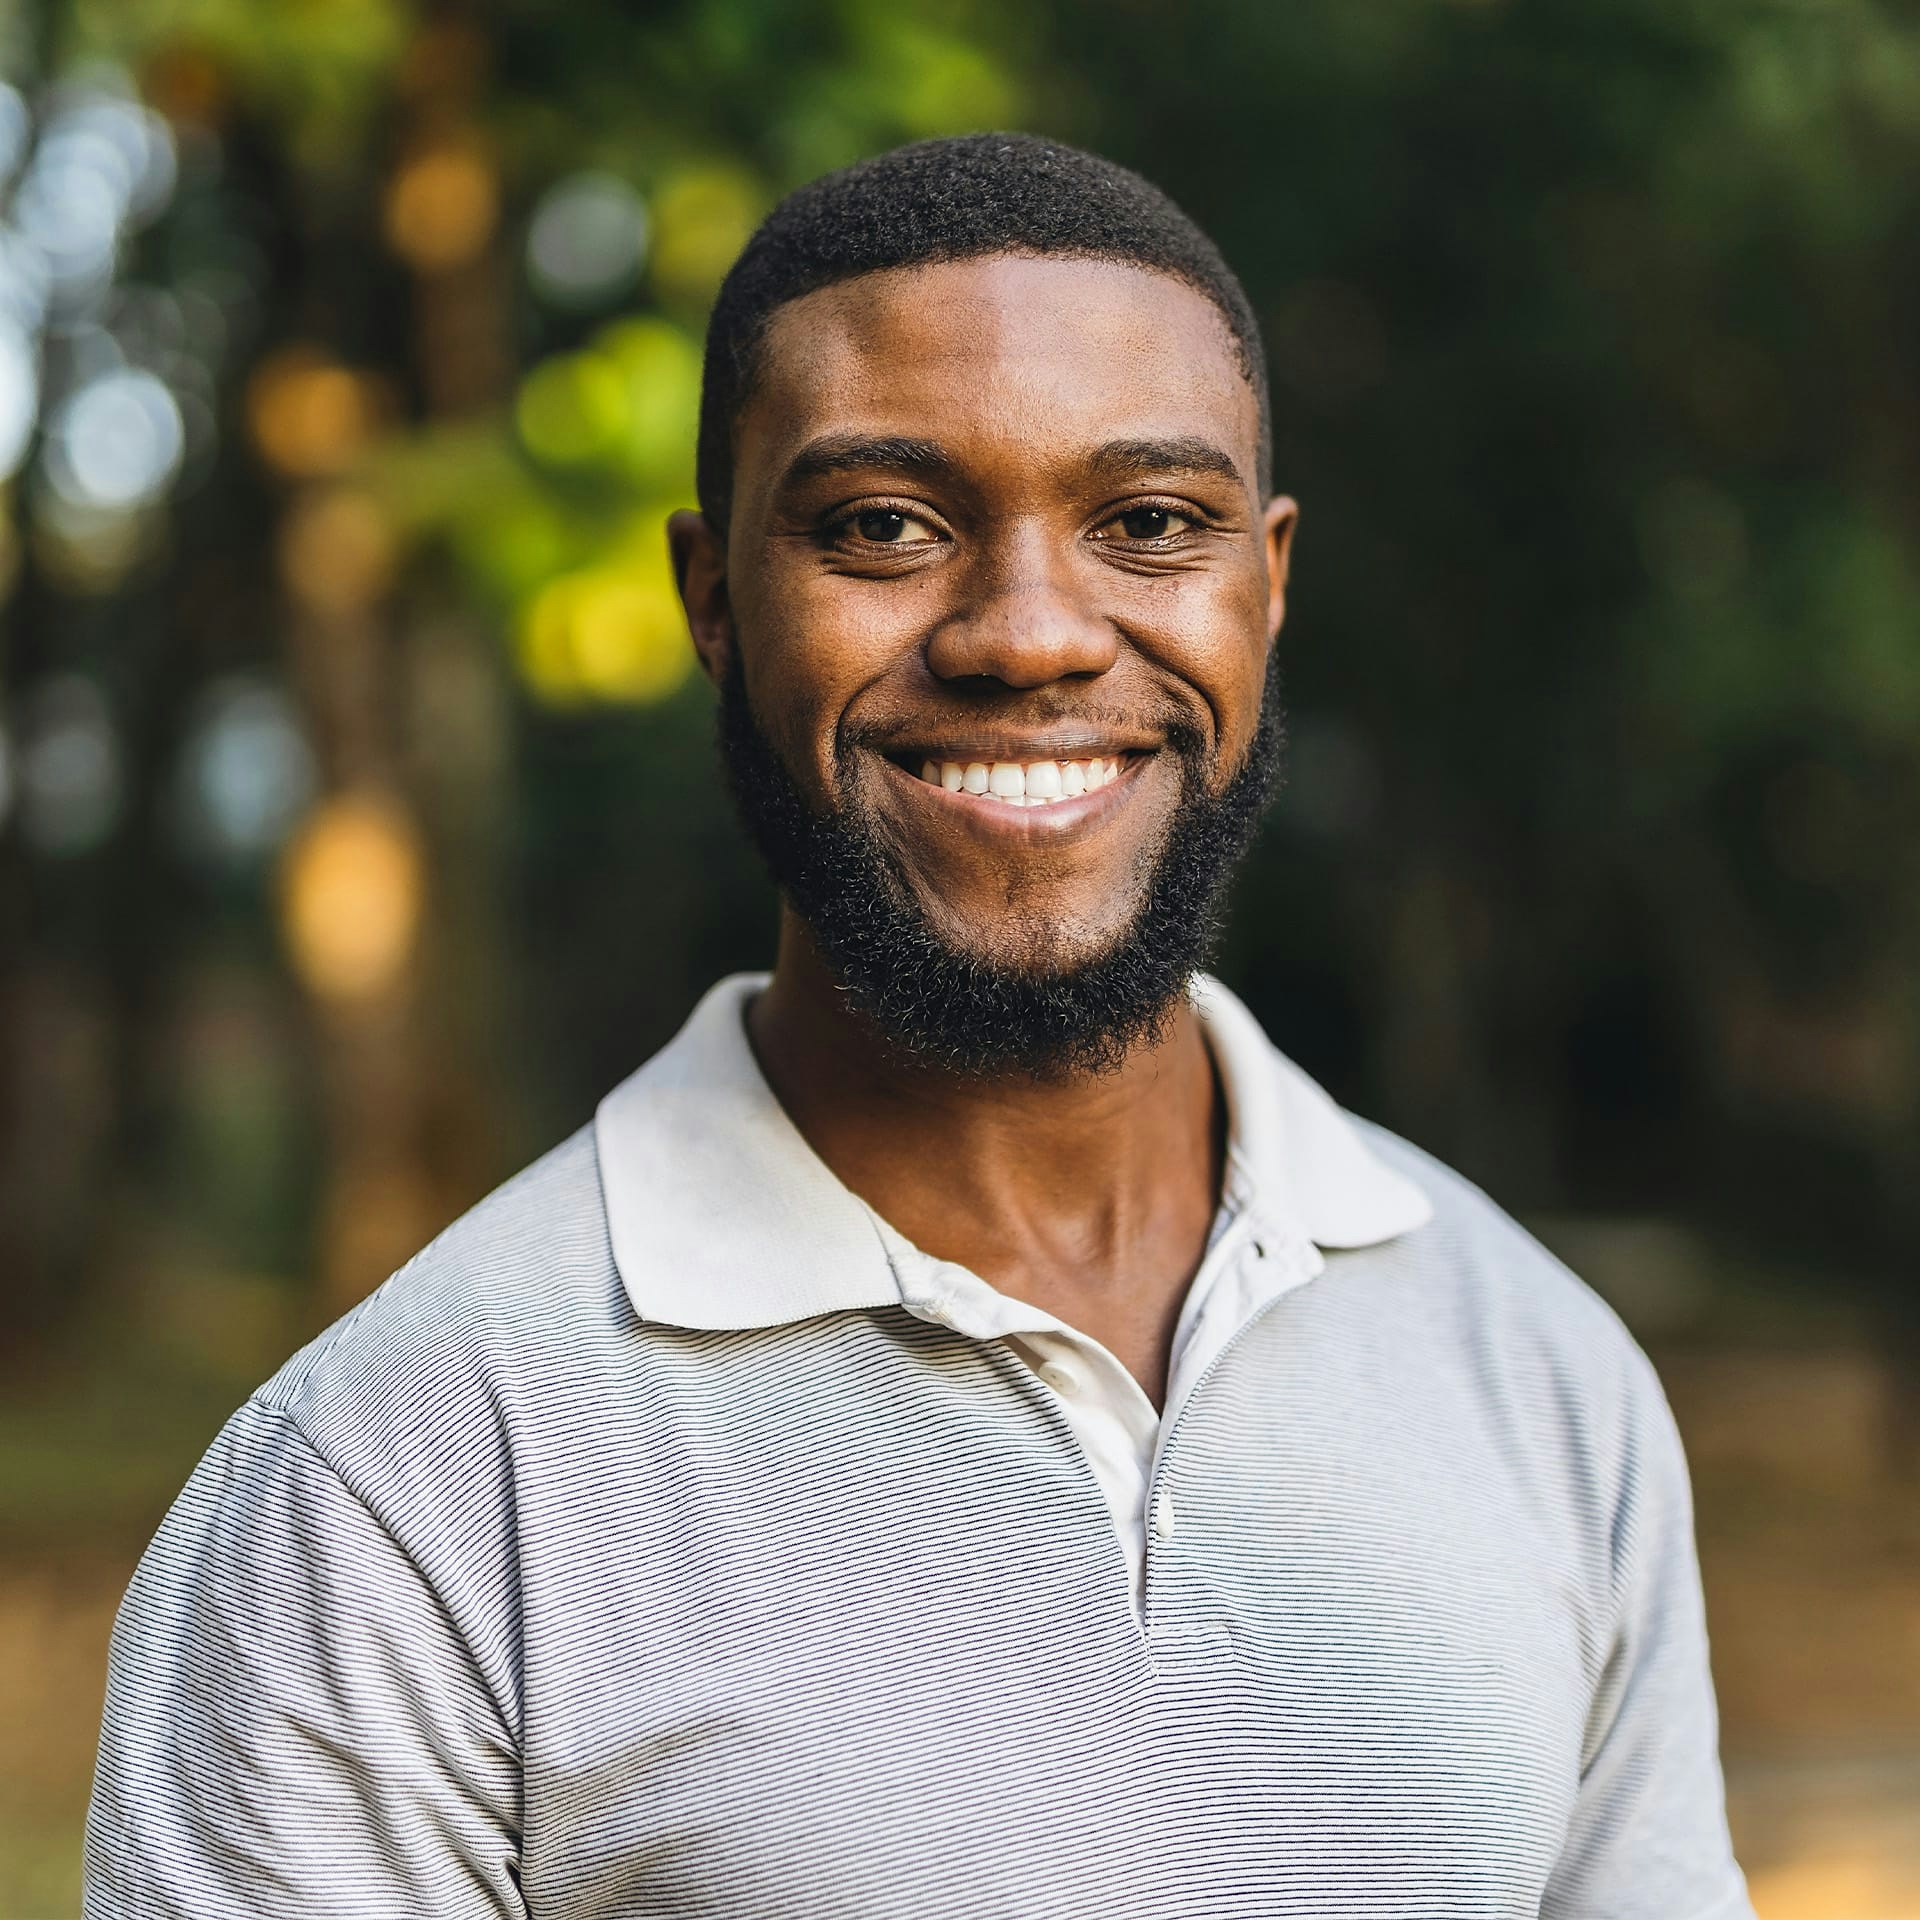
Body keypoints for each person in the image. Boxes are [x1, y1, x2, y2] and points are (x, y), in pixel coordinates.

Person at [85, 133, 1754, 1919]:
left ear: (1266, 588)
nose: (1030, 636)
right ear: (714, 600)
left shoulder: (1541, 1376)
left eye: (1151, 525)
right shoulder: (393, 1484)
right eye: (884, 524)